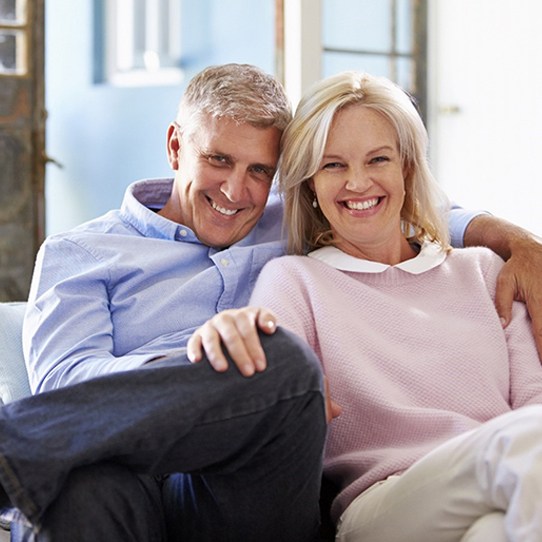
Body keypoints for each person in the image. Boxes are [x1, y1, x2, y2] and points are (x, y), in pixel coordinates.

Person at [3, 62, 541, 541]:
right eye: (218, 159)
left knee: (278, 357)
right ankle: (17, 458)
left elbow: (388, 203)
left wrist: (519, 242)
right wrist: (202, 364)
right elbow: (64, 383)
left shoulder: (289, 216)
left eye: (260, 170)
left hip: (242, 491)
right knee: (77, 487)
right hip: (127, 468)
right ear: (174, 146)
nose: (237, 191)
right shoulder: (82, 253)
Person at [240, 71, 542, 540]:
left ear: (405, 167)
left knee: (493, 530)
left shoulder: (482, 271)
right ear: (310, 184)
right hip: (383, 504)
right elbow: (270, 399)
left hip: (505, 481)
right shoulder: (295, 282)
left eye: (377, 159)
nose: (357, 183)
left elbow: (534, 401)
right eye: (333, 165)